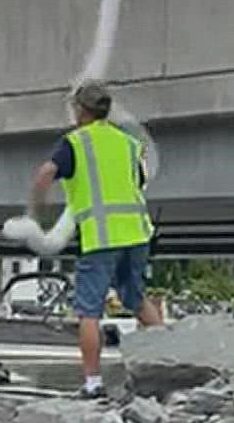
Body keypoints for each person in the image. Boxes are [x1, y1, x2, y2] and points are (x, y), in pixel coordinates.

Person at [26, 83, 164, 399]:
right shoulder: (128, 143)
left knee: (89, 311)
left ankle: (92, 383)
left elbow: (45, 172)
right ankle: (168, 369)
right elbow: (137, 182)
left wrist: (36, 211)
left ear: (80, 111)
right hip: (137, 233)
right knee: (137, 299)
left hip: (102, 238)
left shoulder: (75, 143)